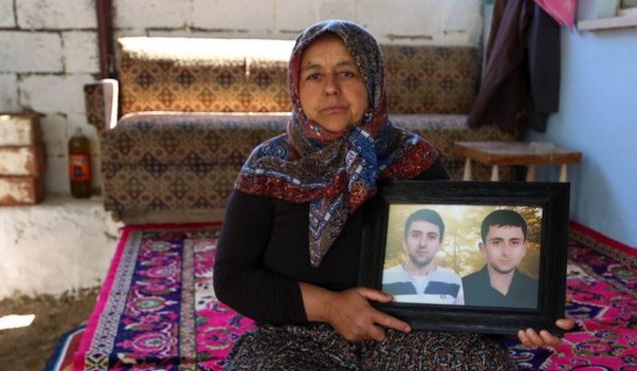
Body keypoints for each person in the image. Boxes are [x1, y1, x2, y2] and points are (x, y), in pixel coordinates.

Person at [214, 19, 571, 369]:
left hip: (404, 333)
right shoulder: (270, 166)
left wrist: (518, 319)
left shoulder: (414, 159)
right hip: (294, 336)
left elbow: (458, 277)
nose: (331, 88)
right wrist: (331, 307)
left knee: (482, 363)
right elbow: (232, 278)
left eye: (347, 72)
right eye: (314, 75)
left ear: (373, 80)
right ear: (296, 86)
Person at [382, 209, 464, 305]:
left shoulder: (454, 280)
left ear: (439, 245)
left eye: (431, 236)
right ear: (405, 242)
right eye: (416, 235)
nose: (422, 243)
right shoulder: (385, 278)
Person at [463, 209, 538, 308]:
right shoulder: (461, 289)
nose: (506, 252)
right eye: (496, 242)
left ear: (524, 249)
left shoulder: (538, 290)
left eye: (514, 243)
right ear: (483, 249)